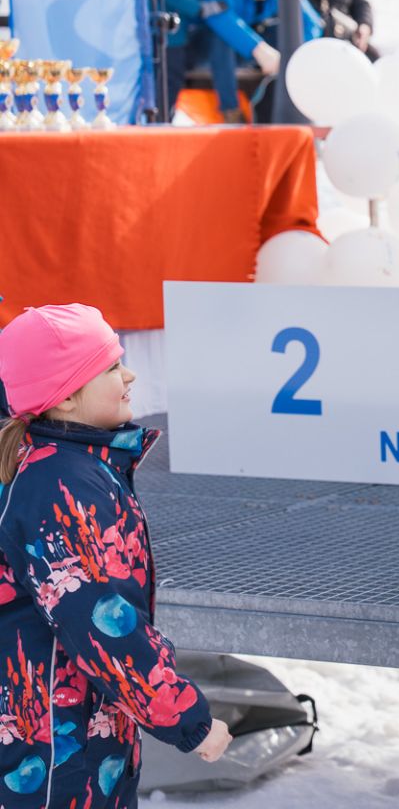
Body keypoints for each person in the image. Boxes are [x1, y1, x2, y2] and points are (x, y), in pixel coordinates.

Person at [0, 305, 232, 808]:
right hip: (54, 750)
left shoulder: (65, 466)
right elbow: (104, 626)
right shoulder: (63, 488)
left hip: (70, 730)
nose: (129, 375)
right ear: (65, 397)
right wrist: (187, 719)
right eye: (109, 367)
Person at [197, 0, 323, 122]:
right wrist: (258, 49)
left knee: (285, 33)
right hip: (207, 46)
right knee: (221, 39)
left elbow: (312, 23)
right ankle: (231, 112)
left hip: (246, 48)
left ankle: (290, 107)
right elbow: (217, 15)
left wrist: (294, 58)